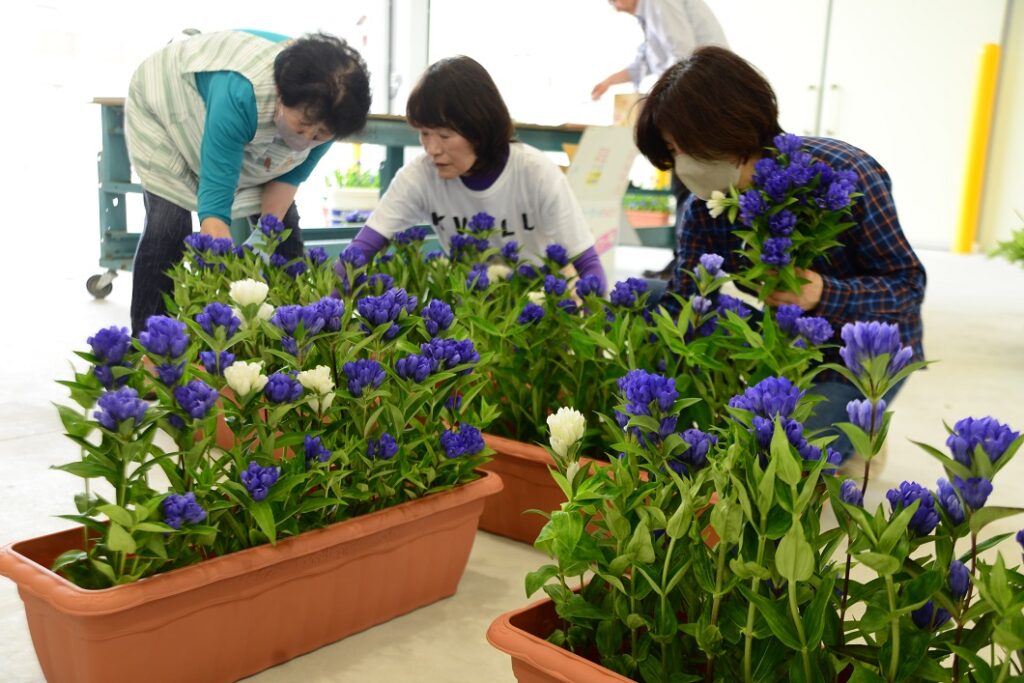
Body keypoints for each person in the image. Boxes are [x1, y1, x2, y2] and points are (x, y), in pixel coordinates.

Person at [633, 46, 927, 464]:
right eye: (672, 150)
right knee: (644, 294)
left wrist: (821, 294)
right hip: (774, 338)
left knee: (785, 455)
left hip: (853, 354)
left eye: (685, 147)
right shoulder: (705, 205)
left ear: (728, 129)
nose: (682, 164)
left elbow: (907, 290)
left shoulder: (846, 175)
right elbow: (687, 295)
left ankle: (860, 421)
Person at [125, 30, 371, 334]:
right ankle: (149, 345)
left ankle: (292, 335)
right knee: (168, 223)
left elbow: (287, 180)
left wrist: (264, 239)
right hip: (168, 104)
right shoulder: (243, 91)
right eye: (304, 125)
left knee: (283, 231)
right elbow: (215, 201)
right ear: (282, 95)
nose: (308, 139)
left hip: (237, 126)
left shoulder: (336, 113)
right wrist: (231, 284)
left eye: (320, 135)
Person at [338, 55, 607, 292]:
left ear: (480, 128)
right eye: (424, 133)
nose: (432, 148)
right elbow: (362, 248)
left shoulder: (534, 173)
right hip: (471, 305)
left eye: (444, 135)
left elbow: (587, 263)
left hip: (540, 304)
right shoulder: (420, 175)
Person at [591, 0, 727, 280]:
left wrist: (653, 103)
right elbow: (644, 61)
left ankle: (690, 264)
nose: (614, 7)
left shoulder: (659, 3)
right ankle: (685, 262)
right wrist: (608, 83)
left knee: (690, 185)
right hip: (695, 102)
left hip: (701, 101)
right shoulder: (649, 15)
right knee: (685, 185)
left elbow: (683, 59)